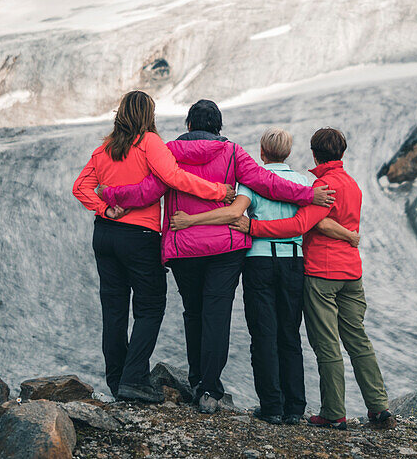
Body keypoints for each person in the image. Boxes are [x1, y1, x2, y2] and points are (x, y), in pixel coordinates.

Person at [98, 100, 336, 414]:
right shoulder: (233, 152)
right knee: (216, 316)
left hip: (184, 247)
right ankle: (209, 389)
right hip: (225, 250)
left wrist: (110, 194)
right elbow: (268, 183)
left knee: (193, 313)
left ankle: (196, 378)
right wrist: (308, 194)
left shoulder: (168, 153)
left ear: (188, 126)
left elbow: (147, 191)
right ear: (218, 127)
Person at [170, 127, 359, 426]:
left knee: (263, 335)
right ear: (289, 152)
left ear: (261, 151)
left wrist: (191, 220)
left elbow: (235, 214)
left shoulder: (251, 181)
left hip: (259, 262)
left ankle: (271, 407)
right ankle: (295, 407)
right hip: (294, 262)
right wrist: (350, 235)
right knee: (289, 334)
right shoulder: (304, 182)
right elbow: (315, 223)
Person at [71, 90, 234, 404]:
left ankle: (118, 381)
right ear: (148, 115)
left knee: (114, 311)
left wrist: (104, 208)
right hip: (139, 236)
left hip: (104, 235)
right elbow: (175, 177)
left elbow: (80, 187)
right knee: (149, 307)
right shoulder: (148, 143)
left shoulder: (104, 148)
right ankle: (134, 379)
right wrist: (218, 191)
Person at [230, 127, 394, 430]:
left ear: (315, 153)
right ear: (342, 153)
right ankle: (379, 406)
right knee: (358, 340)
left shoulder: (321, 186)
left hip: (322, 272)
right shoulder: (352, 185)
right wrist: (347, 234)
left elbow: (301, 224)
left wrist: (252, 228)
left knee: (327, 344)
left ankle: (333, 413)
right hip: (351, 272)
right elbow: (336, 224)